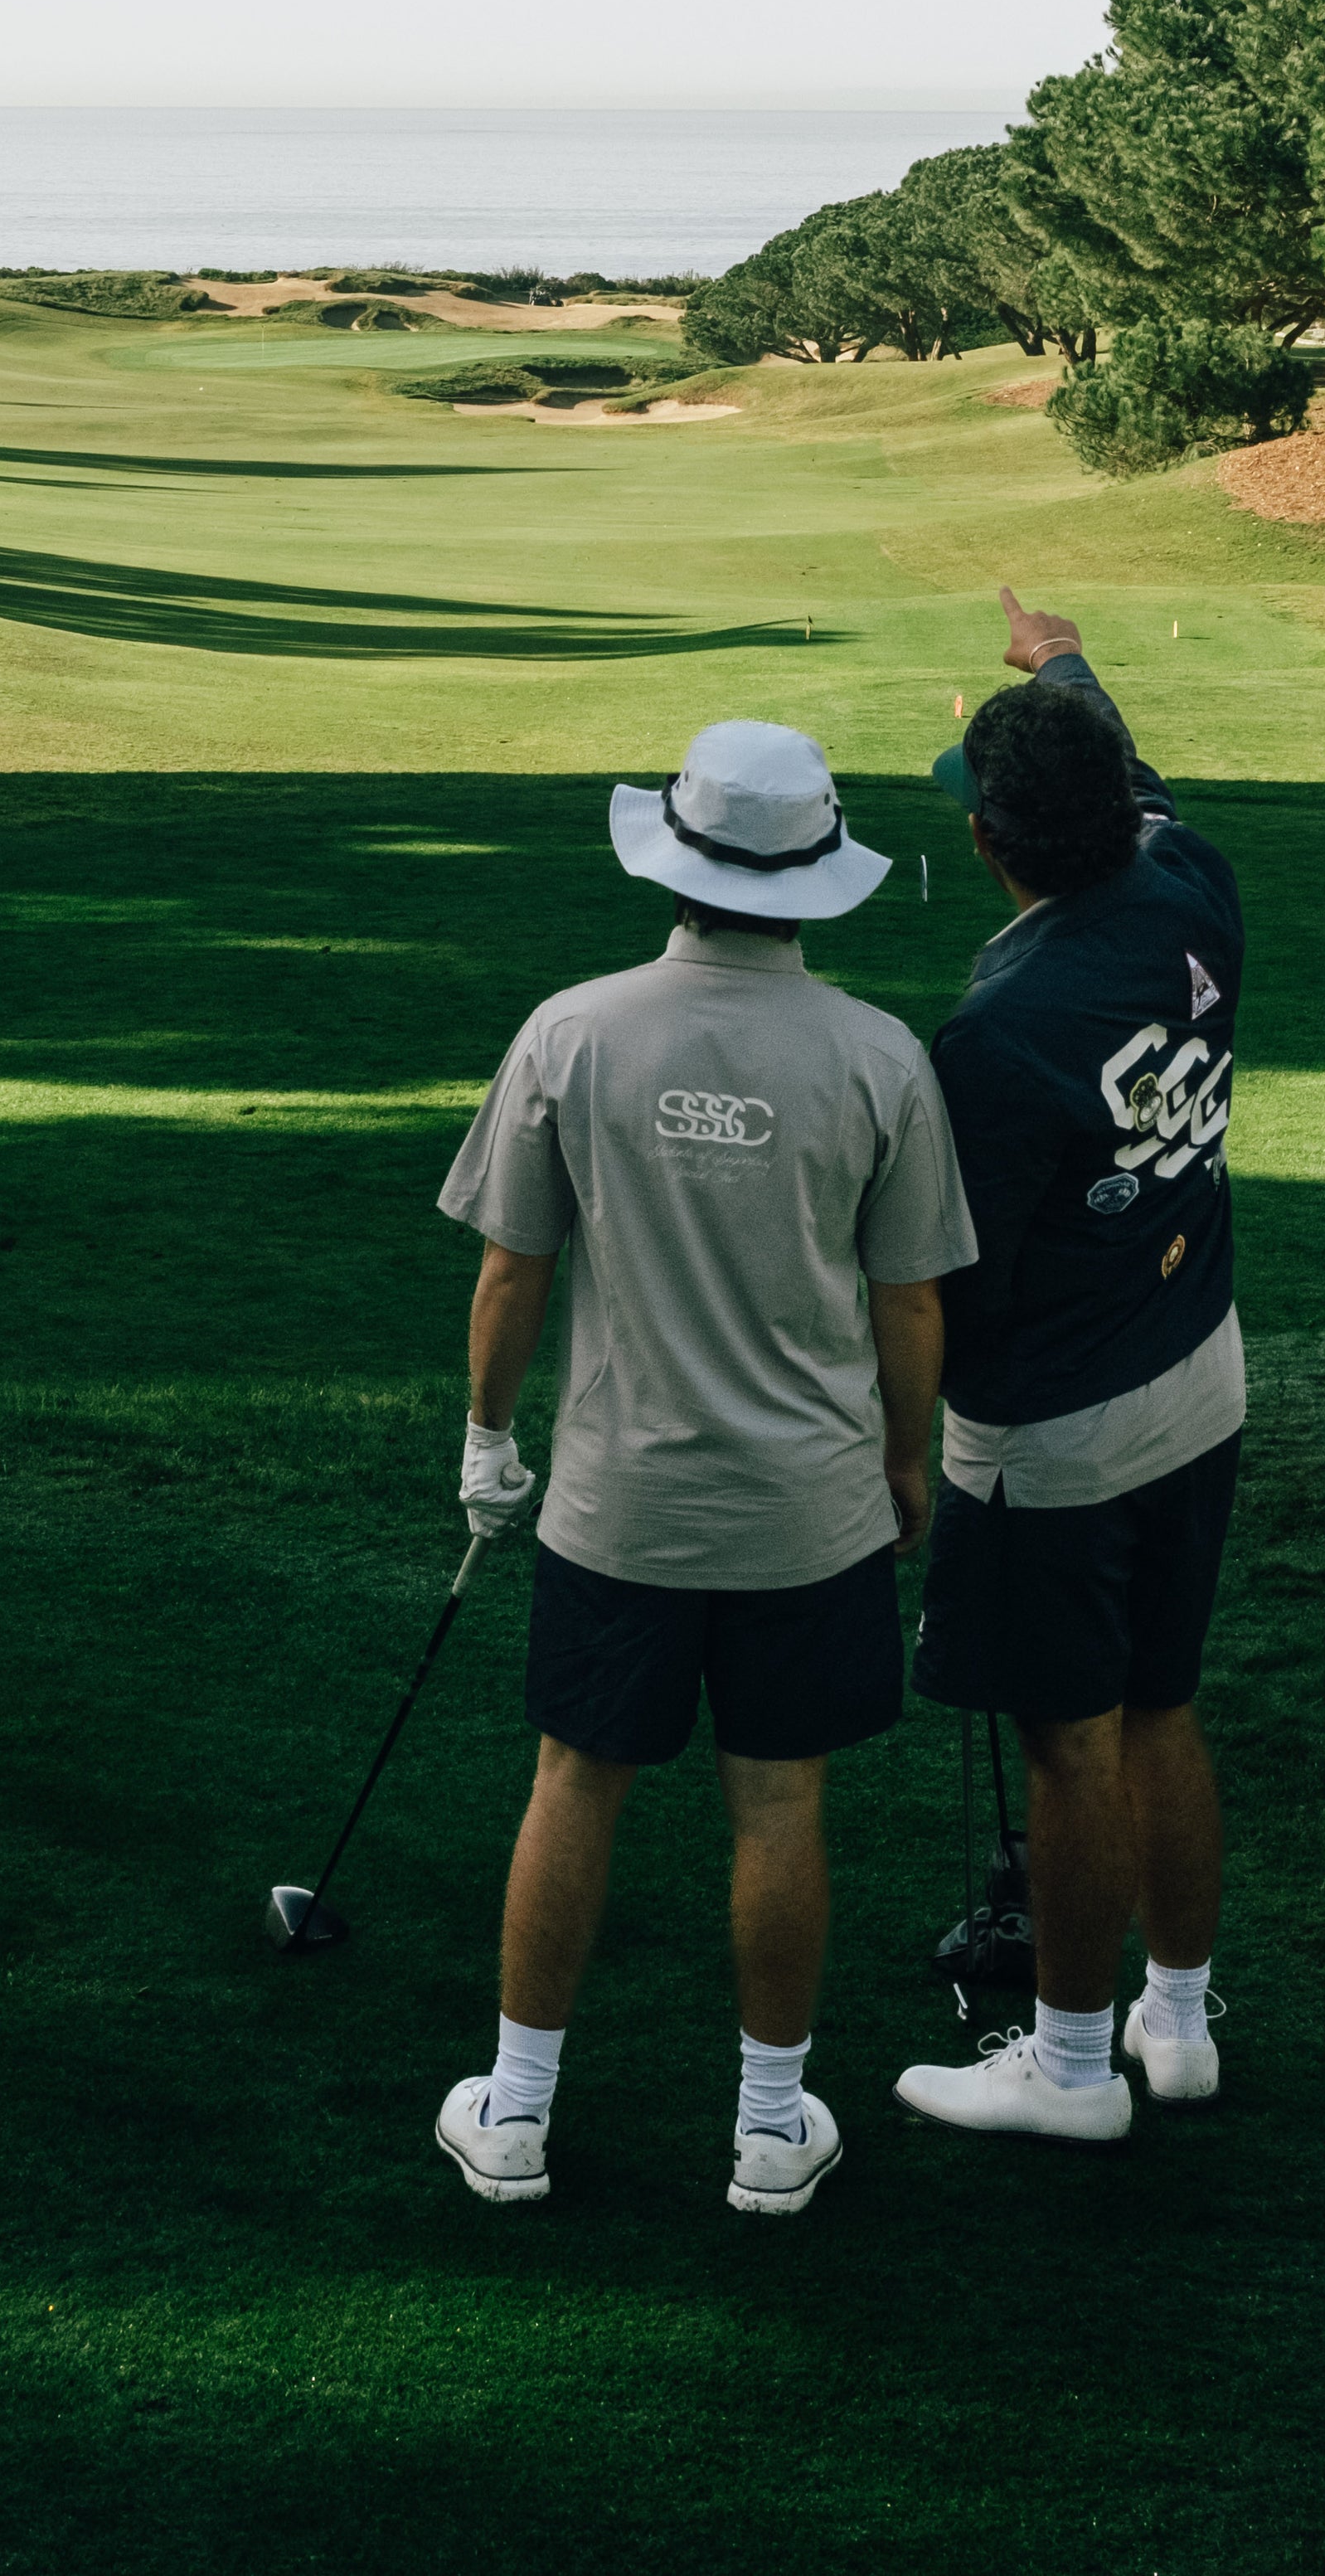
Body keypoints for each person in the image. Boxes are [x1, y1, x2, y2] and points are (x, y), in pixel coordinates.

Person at [431, 717, 975, 2217]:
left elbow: (510, 1276)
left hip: (622, 1503)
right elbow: (912, 1300)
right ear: (814, 875)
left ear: (674, 860)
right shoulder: (879, 1055)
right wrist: (906, 1463)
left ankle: (518, 2116)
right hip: (809, 1510)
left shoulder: (574, 1031)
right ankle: (769, 2128)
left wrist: (489, 1441)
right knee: (779, 1802)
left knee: (575, 1781)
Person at [895, 585, 1243, 2148]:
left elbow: (956, 1291)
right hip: (1202, 1366)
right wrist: (1064, 661)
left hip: (1059, 1431)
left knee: (1069, 1742)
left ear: (990, 844)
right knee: (1163, 1707)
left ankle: (1071, 2064)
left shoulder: (1000, 1032)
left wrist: (911, 1450)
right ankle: (1179, 2024)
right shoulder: (1190, 880)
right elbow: (1130, 769)